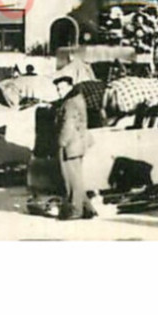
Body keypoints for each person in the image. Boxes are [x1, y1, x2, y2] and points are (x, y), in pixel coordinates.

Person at [56, 80, 93, 220]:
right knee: (76, 177)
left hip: (70, 145)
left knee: (71, 180)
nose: (59, 91)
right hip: (78, 143)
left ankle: (75, 210)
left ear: (69, 87)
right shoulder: (78, 99)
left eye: (61, 88)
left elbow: (68, 124)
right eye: (58, 88)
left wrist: (62, 142)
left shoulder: (69, 103)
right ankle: (87, 208)